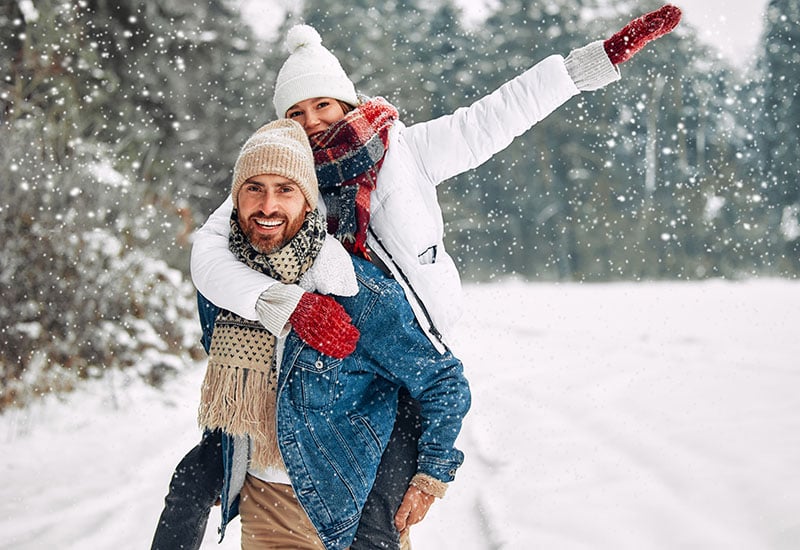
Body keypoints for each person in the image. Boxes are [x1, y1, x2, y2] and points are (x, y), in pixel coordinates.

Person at [153, 5, 682, 549]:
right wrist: (283, 304)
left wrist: (585, 67)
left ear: (347, 102)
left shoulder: (404, 152)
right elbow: (210, 256)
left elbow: (493, 118)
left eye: (323, 105)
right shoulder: (277, 177)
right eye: (297, 111)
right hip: (335, 360)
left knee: (375, 528)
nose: (312, 121)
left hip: (402, 349)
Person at [160, 118, 471, 550]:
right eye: (254, 188)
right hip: (263, 505)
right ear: (235, 200)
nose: (267, 205)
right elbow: (242, 390)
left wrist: (431, 475)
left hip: (347, 510)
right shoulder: (223, 291)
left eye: (285, 189)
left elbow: (443, 382)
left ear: (309, 202)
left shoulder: (359, 294)